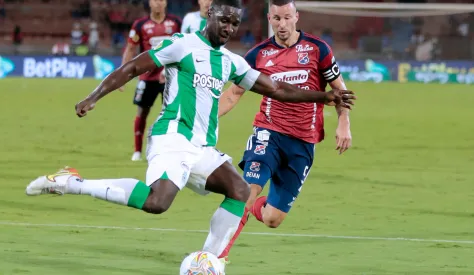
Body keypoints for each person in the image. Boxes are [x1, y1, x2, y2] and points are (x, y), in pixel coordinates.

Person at [25, 0, 355, 271]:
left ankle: (208, 261)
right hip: (171, 137)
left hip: (200, 147)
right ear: (209, 16)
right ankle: (70, 183)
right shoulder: (181, 45)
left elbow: (278, 88)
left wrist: (324, 96)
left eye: (234, 24)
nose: (228, 28)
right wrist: (93, 96)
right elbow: (132, 68)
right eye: (223, 20)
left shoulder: (230, 61)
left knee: (239, 190)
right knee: (158, 203)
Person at [217, 0, 353, 263]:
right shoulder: (258, 55)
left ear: (296, 17)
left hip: (303, 141)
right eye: (277, 18)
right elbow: (234, 94)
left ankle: (258, 209)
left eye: (287, 18)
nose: (282, 25)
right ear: (270, 18)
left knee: (272, 219)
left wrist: (343, 122)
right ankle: (218, 258)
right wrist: (206, 118)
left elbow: (339, 90)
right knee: (248, 190)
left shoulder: (318, 49)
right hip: (268, 132)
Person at [120, 0, 181, 161]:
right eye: (155, 0)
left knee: (172, 114)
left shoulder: (175, 23)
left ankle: (170, 150)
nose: (158, 3)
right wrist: (123, 76)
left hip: (170, 77)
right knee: (142, 112)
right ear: (150, 3)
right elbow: (131, 49)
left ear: (166, 3)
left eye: (161, 0)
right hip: (147, 77)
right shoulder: (140, 25)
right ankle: (138, 151)